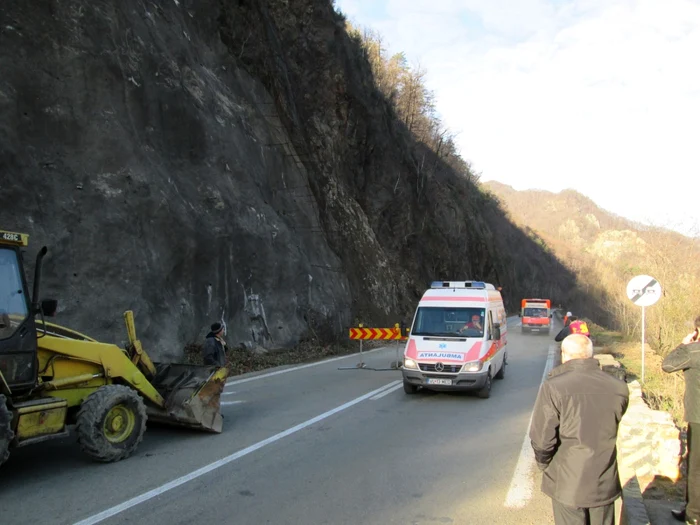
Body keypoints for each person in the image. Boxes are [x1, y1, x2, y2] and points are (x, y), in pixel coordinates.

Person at [530, 333, 629, 525]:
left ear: (564, 355)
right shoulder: (619, 388)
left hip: (568, 482)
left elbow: (542, 439)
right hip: (604, 481)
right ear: (591, 355)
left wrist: (544, 464)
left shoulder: (554, 387)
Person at [662, 315, 700, 524]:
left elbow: (667, 365)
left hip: (698, 418)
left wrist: (683, 344)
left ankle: (694, 514)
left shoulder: (694, 351)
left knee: (696, 469)